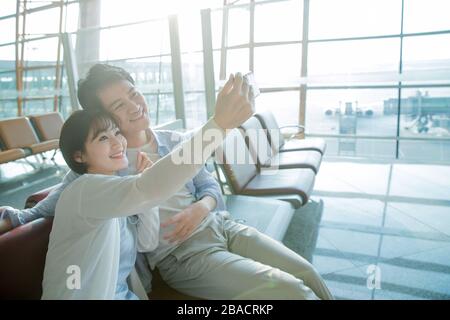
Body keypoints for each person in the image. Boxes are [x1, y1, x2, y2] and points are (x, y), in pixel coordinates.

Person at [1, 64, 333, 299]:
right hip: (181, 256)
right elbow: (37, 211)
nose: (134, 106)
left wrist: (201, 209)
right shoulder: (98, 172)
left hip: (221, 227)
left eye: (133, 94)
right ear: (100, 117)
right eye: (119, 105)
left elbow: (211, 188)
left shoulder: (173, 140)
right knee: (293, 293)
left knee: (308, 275)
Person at [42, 71, 250, 299]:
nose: (117, 142)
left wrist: (153, 198)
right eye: (103, 138)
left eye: (115, 133)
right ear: (79, 156)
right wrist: (218, 126)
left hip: (213, 230)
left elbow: (147, 240)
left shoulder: (121, 187)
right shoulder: (85, 188)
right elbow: (146, 188)